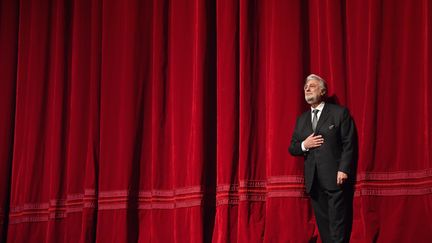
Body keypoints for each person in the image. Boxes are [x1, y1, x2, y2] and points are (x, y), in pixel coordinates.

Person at [289, 74, 355, 243]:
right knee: (324, 228)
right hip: (314, 182)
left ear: (323, 91)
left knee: (338, 226)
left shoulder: (339, 113)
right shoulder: (301, 120)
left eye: (311, 86)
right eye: (305, 87)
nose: (307, 89)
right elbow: (293, 147)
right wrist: (305, 144)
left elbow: (349, 143)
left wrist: (343, 169)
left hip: (335, 178)